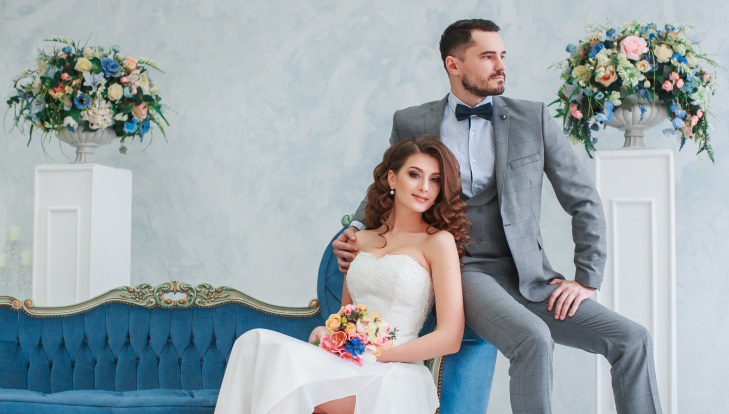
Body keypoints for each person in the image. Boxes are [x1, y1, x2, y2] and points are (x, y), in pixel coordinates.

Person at [332, 19, 663, 414]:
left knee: (633, 339)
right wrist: (356, 228)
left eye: (502, 56)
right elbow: (391, 180)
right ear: (454, 64)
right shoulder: (413, 121)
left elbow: (583, 199)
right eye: (487, 56)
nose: (500, 65)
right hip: (465, 269)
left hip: (532, 277)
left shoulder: (533, 118)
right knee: (532, 338)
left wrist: (586, 279)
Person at [215, 135, 469, 414]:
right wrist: (328, 333)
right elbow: (346, 316)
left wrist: (376, 355)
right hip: (348, 364)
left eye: (435, 180)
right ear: (392, 178)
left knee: (285, 367)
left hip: (395, 373)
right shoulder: (360, 240)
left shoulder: (438, 242)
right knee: (253, 342)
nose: (425, 187)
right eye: (414, 174)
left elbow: (450, 337)